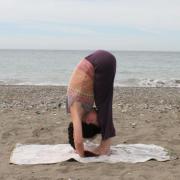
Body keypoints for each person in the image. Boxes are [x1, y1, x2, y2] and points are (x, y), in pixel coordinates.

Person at [66, 50, 116, 157]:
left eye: (98, 119)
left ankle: (105, 145)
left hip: (99, 62)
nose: (98, 113)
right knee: (104, 103)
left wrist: (82, 154)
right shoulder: (80, 109)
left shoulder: (75, 111)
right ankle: (105, 143)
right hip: (96, 59)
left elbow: (78, 141)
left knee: (104, 105)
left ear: (89, 120)